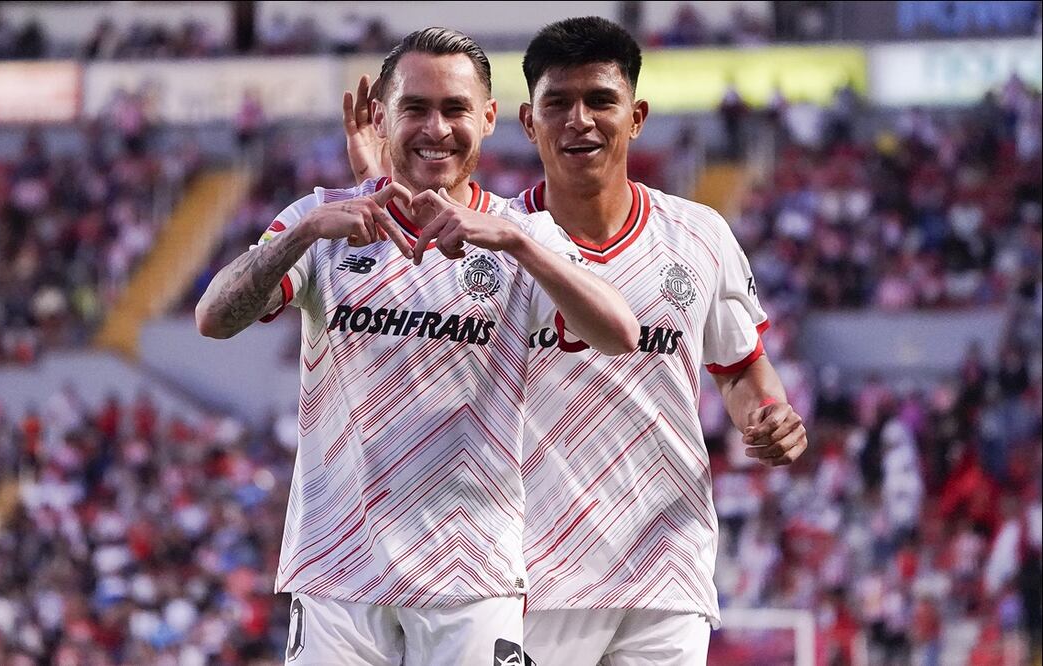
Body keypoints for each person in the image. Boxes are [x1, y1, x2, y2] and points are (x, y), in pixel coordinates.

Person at [343, 17, 808, 666]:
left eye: (600, 100)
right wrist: (376, 182)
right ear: (529, 122)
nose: (579, 120)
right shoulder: (481, 238)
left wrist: (769, 416)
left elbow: (739, 369)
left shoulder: (700, 238)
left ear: (637, 115)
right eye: (557, 103)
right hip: (530, 575)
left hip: (667, 570)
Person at [196, 27, 639, 666]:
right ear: (381, 117)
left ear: (488, 118)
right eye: (416, 108)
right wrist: (304, 235)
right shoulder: (322, 221)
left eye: (456, 109)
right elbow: (214, 317)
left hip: (474, 574)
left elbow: (619, 332)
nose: (437, 128)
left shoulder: (520, 234)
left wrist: (517, 245)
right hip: (336, 570)